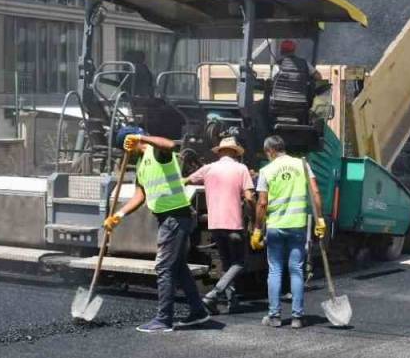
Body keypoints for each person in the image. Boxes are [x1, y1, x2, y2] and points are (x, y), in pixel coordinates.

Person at [105, 132, 210, 333]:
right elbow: (139, 195)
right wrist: (118, 215)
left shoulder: (157, 153)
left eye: (126, 147)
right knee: (178, 267)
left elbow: (170, 143)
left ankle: (163, 320)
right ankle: (198, 311)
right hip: (168, 218)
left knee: (164, 267)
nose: (125, 152)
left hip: (175, 216)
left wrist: (141, 137)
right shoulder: (140, 164)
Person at [254, 135, 325, 329]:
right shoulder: (302, 165)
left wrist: (257, 229)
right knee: (296, 270)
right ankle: (297, 318)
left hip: (276, 227)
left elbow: (262, 203)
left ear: (270, 151)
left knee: (275, 270)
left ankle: (274, 316)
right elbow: (315, 192)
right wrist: (320, 220)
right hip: (297, 226)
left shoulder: (266, 170)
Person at [186, 136, 254, 315]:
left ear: (221, 152)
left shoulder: (208, 168)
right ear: (234, 152)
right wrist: (254, 216)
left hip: (215, 224)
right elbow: (248, 197)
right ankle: (214, 295)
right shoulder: (241, 168)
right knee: (239, 263)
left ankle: (232, 302)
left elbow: (186, 180)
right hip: (233, 224)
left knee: (226, 264)